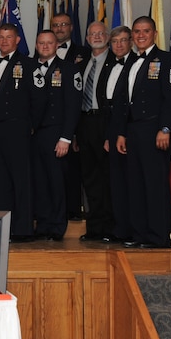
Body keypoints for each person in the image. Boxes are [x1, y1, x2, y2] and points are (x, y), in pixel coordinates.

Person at [114, 16, 171, 249]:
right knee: (135, 184)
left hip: (155, 130)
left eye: (146, 31)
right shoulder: (130, 62)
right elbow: (124, 102)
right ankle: (140, 233)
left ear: (154, 34)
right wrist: (122, 133)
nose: (141, 35)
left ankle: (158, 236)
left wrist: (165, 129)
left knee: (154, 184)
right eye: (137, 31)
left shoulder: (167, 60)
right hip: (133, 131)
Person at [0, 23, 37, 241]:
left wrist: (30, 125)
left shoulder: (28, 64)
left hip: (17, 129)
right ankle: (4, 227)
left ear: (18, 40)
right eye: (1, 37)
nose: (5, 41)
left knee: (20, 180)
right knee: (0, 181)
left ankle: (23, 228)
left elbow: (39, 99)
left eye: (9, 37)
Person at [30, 30, 82, 241]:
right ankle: (42, 224)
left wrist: (66, 138)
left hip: (56, 134)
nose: (45, 46)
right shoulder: (28, 68)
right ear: (36, 45)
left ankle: (57, 225)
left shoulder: (69, 70)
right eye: (41, 43)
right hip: (35, 135)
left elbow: (73, 106)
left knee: (56, 181)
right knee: (39, 181)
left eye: (49, 43)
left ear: (56, 45)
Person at [76, 22, 116, 242]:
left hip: (105, 124)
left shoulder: (115, 62)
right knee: (89, 179)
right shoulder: (81, 64)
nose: (97, 37)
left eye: (101, 33)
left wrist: (111, 133)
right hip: (85, 124)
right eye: (93, 34)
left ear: (107, 37)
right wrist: (74, 134)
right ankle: (94, 228)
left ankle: (110, 228)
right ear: (87, 38)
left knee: (107, 179)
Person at [51, 12, 85, 221]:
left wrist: (72, 132)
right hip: (49, 125)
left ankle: (72, 212)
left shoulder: (84, 53)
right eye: (55, 25)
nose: (60, 28)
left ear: (71, 27)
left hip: (76, 124)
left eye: (64, 24)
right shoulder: (39, 58)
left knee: (73, 171)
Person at [102, 26, 132, 243]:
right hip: (112, 128)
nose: (119, 45)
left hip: (131, 130)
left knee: (131, 182)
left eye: (123, 40)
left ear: (130, 41)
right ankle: (120, 229)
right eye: (115, 41)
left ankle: (132, 229)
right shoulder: (109, 65)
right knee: (116, 182)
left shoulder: (136, 64)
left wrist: (122, 132)